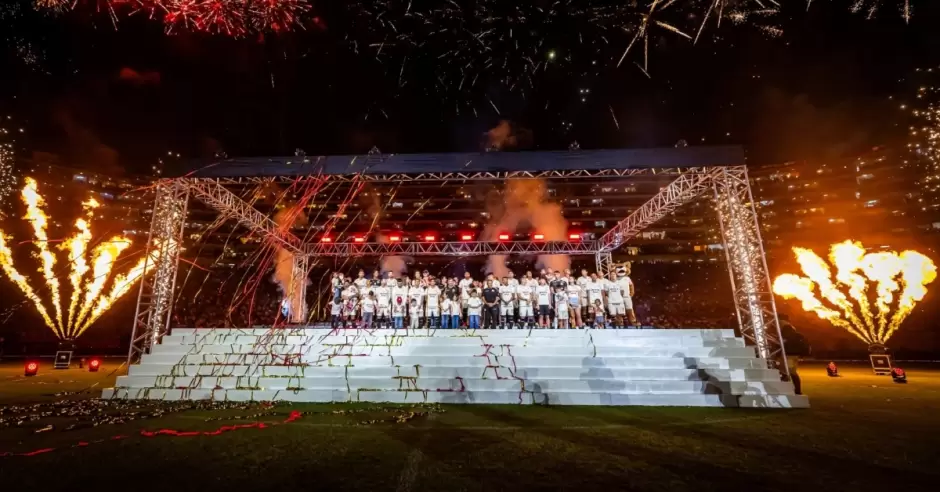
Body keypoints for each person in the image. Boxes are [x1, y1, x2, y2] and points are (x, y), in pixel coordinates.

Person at [778, 315, 810, 395]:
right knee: (790, 372)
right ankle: (795, 390)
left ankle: (794, 390)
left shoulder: (786, 330)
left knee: (788, 372)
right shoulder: (795, 332)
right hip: (794, 355)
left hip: (789, 355)